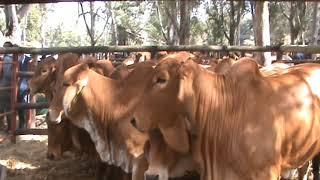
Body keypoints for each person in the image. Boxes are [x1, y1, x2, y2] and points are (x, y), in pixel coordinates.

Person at [14, 44, 32, 129]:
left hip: (25, 86)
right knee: (18, 107)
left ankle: (25, 125)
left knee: (25, 105)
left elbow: (32, 73)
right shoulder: (14, 60)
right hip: (16, 86)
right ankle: (21, 125)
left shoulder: (29, 60)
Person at [0, 41, 13, 132]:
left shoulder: (7, 60)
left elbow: (8, 74)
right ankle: (7, 127)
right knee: (6, 107)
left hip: (5, 85)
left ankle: (9, 127)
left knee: (5, 107)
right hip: (6, 85)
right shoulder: (8, 59)